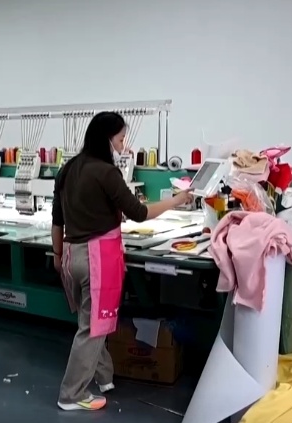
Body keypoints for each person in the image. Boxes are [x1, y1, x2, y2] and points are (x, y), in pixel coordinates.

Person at [51, 111, 194, 411]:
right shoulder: (106, 172)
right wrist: (177, 200)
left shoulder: (68, 168)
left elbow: (57, 220)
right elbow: (139, 214)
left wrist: (58, 255)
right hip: (96, 259)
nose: (123, 144)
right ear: (107, 139)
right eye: (120, 138)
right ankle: (71, 394)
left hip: (71, 257)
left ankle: (104, 377)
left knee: (90, 321)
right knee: (93, 328)